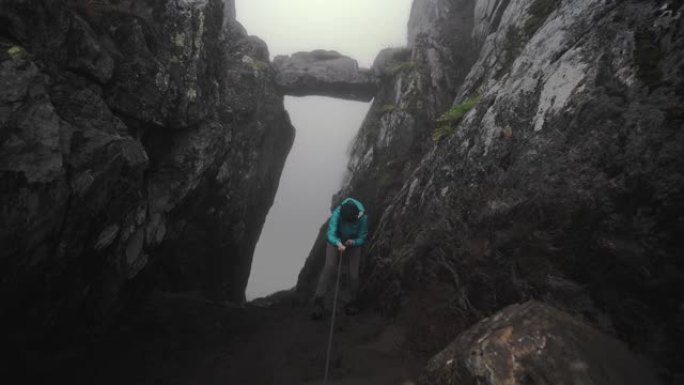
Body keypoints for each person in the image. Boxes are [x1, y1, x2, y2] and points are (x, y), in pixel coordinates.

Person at [311, 197, 368, 319]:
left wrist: (353, 242)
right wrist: (338, 243)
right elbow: (330, 233)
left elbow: (362, 237)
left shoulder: (363, 217)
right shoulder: (337, 214)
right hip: (336, 240)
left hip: (353, 241)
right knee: (330, 265)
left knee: (353, 274)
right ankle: (319, 299)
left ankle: (352, 300)